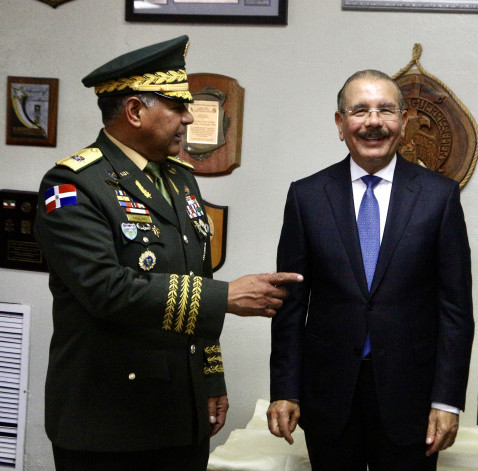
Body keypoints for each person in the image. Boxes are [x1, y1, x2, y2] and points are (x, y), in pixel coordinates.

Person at [34, 35, 302, 471]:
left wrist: (210, 376)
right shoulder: (73, 185)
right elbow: (106, 290)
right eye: (177, 106)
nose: (189, 117)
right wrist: (226, 296)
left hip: (180, 414)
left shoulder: (178, 177)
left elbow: (194, 276)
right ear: (135, 111)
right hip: (109, 423)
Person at [267, 69, 474, 470]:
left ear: (403, 121)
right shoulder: (306, 196)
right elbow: (290, 306)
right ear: (340, 123)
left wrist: (447, 400)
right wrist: (285, 390)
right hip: (328, 396)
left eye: (386, 110)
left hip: (412, 398)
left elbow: (455, 309)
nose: (373, 122)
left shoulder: (439, 196)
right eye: (360, 110)